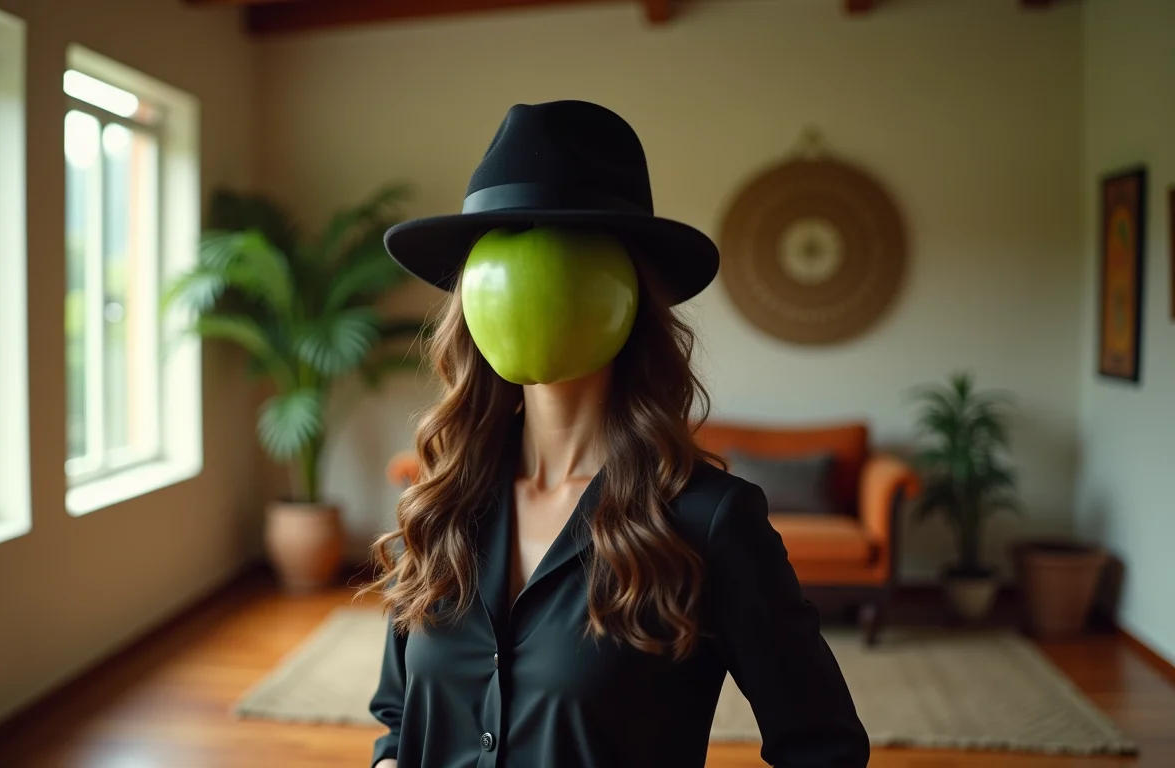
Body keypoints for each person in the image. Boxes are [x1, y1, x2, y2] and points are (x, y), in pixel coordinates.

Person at [361, 101, 869, 768]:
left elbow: (823, 746)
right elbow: (399, 717)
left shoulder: (707, 523)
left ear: (630, 294)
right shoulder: (442, 503)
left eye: (564, 245)